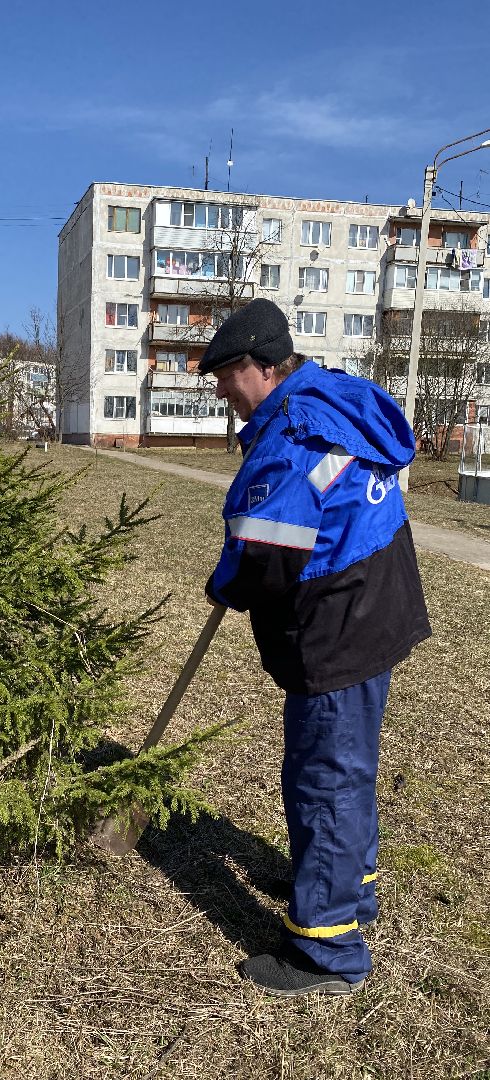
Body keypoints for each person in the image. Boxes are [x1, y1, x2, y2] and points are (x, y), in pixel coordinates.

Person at [199, 298, 431, 998]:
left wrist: (223, 585)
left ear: (267, 367)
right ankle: (346, 885)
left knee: (323, 775)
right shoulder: (341, 397)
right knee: (349, 764)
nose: (219, 389)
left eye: (227, 373)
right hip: (379, 601)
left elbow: (263, 553)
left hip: (335, 623)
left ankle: (327, 951)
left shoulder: (292, 439)